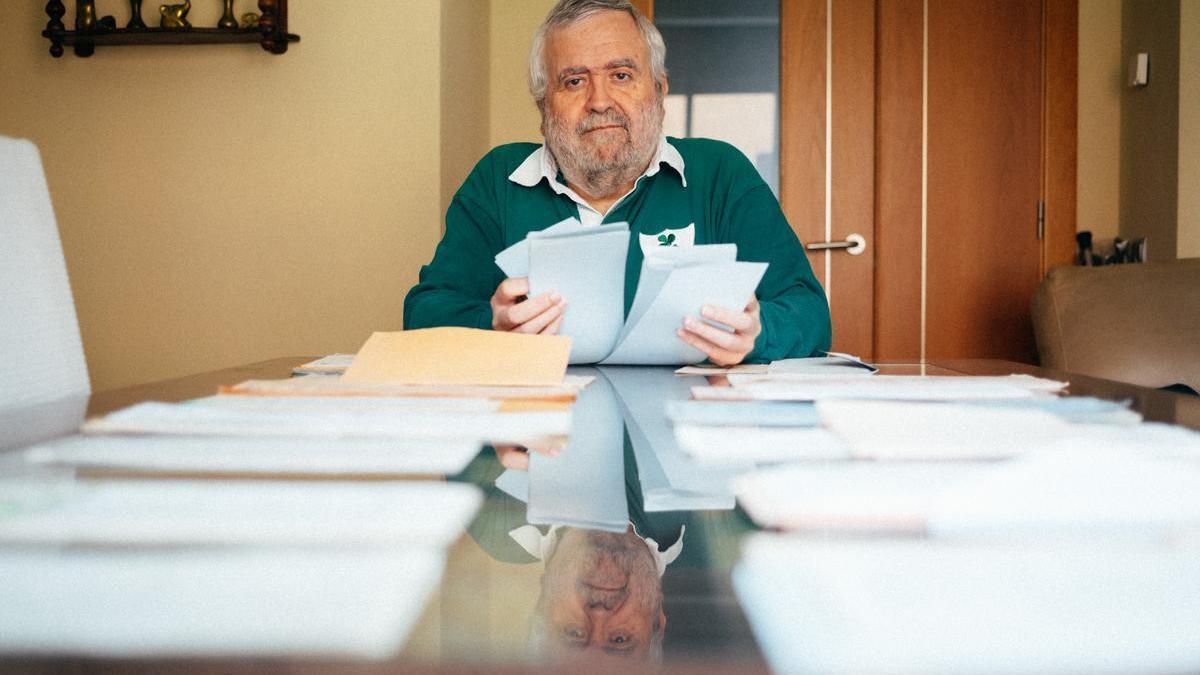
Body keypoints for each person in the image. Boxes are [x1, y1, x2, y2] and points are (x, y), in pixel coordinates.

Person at [404, 0, 830, 365]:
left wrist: (757, 333)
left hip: (684, 435)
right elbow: (423, 314)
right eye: (574, 81)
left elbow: (809, 312)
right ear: (543, 105)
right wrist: (492, 328)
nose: (600, 101)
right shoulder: (497, 181)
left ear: (659, 91)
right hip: (543, 442)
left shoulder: (721, 172)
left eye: (621, 75)